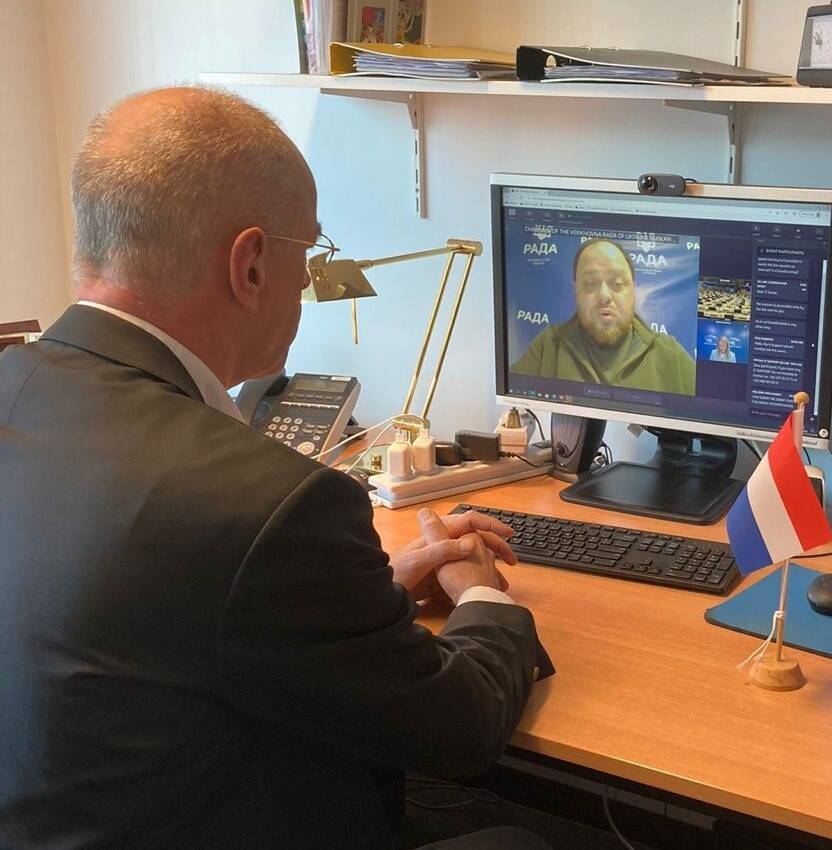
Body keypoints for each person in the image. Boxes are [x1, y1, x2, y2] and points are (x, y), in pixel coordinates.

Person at [0, 87, 552, 850]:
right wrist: (484, 595)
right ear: (252, 265)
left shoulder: (21, 393)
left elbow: (157, 613)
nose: (308, 281)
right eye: (309, 251)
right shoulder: (268, 505)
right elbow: (460, 729)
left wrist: (367, 593)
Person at [511, 238, 697, 395]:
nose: (604, 296)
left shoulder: (670, 357)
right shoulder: (548, 348)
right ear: (576, 291)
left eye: (617, 283)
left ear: (633, 290)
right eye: (590, 284)